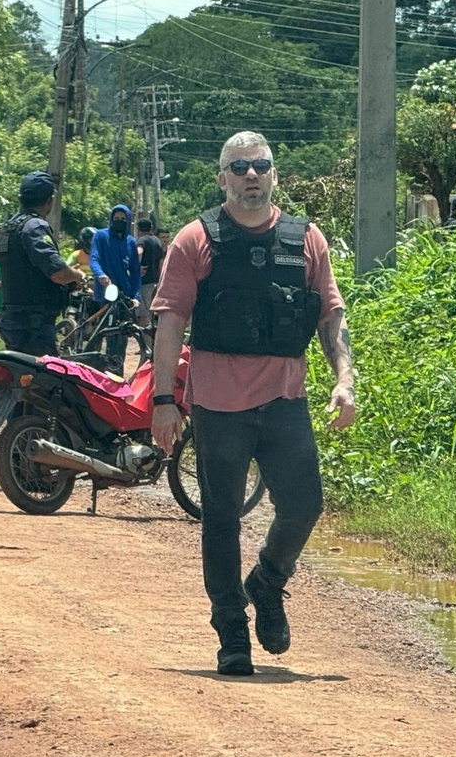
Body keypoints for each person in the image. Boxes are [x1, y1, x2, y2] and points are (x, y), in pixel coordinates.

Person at [150, 131, 355, 677]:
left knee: (304, 504)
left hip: (286, 400)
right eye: (238, 168)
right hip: (219, 407)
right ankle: (231, 631)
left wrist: (345, 380)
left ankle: (266, 582)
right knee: (221, 518)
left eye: (260, 166)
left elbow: (330, 315)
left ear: (274, 175)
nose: (250, 176)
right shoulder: (195, 241)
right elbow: (170, 322)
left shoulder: (307, 240)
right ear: (222, 179)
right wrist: (164, 399)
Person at [0, 171, 86, 356]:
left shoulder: (9, 228)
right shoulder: (35, 227)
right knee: (45, 381)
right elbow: (58, 273)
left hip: (12, 321)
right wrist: (78, 275)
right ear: (49, 201)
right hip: (34, 326)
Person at [89, 204, 142, 375]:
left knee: (122, 336)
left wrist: (136, 296)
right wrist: (100, 275)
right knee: (102, 334)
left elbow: (135, 271)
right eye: (116, 218)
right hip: (106, 291)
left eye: (123, 219)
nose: (119, 221)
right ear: (111, 219)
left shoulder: (130, 242)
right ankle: (95, 369)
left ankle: (117, 372)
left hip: (124, 294)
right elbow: (94, 259)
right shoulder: (101, 236)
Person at [135, 217, 165, 321]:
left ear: (138, 229)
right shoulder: (157, 241)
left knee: (143, 315)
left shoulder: (142, 240)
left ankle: (146, 337)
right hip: (156, 282)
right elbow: (161, 262)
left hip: (144, 283)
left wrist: (136, 267)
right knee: (154, 313)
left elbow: (139, 252)